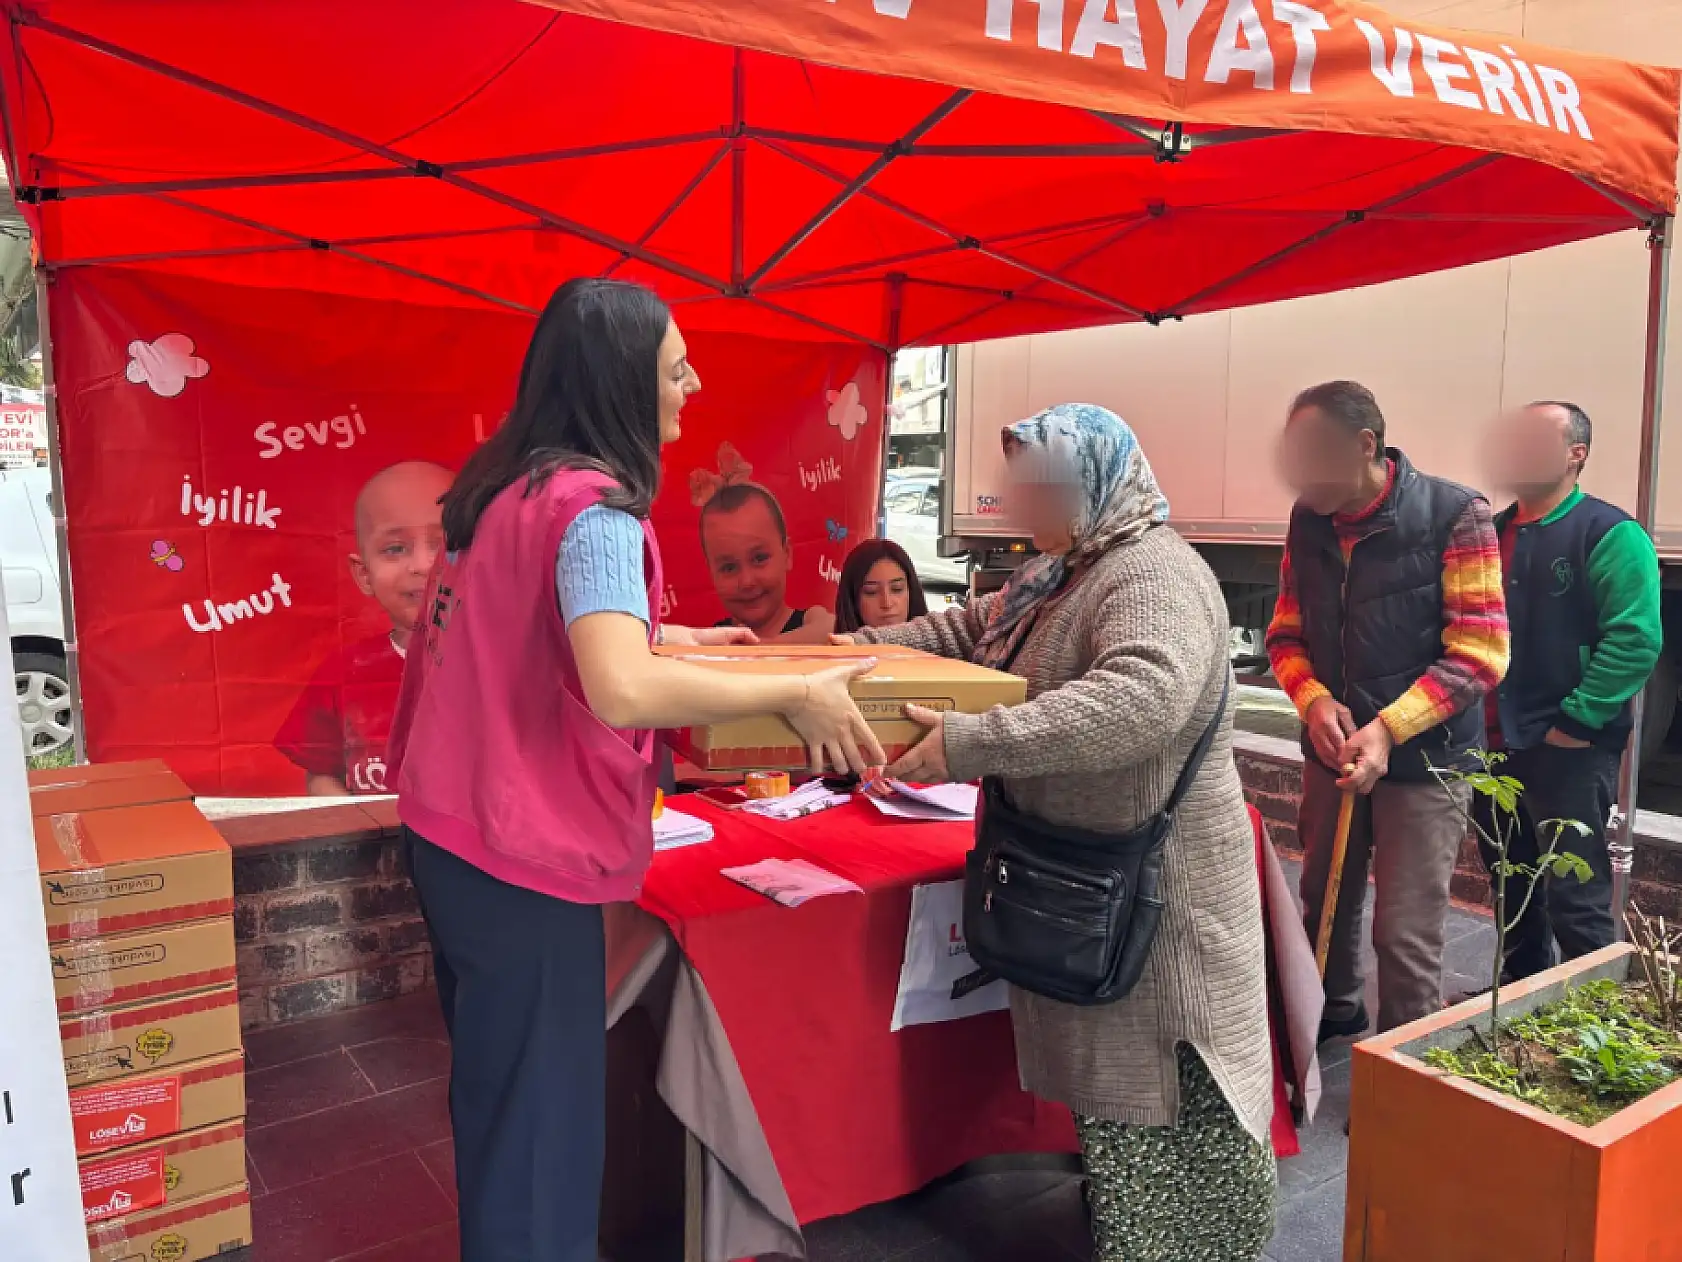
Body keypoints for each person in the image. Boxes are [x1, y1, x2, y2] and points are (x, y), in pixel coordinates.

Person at [385, 277, 883, 1262]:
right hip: (520, 857)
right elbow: (616, 685)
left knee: (500, 1098)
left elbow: (544, 634)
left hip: (450, 834)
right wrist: (791, 695)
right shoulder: (596, 511)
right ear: (621, 379)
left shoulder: (503, 487)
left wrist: (671, 633)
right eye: (675, 365)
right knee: (544, 1132)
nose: (691, 383)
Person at [847, 403, 1276, 1262]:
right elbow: (967, 630)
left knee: (1176, 1115)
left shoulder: (1150, 574)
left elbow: (1140, 699)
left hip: (1163, 906)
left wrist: (971, 742)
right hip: (1095, 881)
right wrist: (838, 651)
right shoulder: (1063, 573)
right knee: (1125, 1132)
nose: (1016, 498)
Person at [1268, 381, 1509, 1043]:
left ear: (1365, 445)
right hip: (1334, 751)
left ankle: (1406, 1073)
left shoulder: (1455, 513)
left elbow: (1482, 652)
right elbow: (1285, 634)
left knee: (1405, 932)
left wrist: (1386, 729)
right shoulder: (1307, 518)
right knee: (1324, 904)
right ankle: (1333, 1014)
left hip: (1426, 761)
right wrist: (1313, 702)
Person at [1479, 400, 1662, 979]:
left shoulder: (1609, 533)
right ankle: (1517, 1002)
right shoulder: (1490, 532)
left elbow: (1635, 640)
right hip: (1491, 744)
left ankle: (1589, 1016)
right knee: (1511, 885)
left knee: (1574, 897)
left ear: (1575, 454)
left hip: (1569, 749)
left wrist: (1575, 725)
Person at [276, 460, 452, 796]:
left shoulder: (503, 670)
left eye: (443, 544)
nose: (423, 565)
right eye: (395, 548)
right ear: (364, 574)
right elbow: (321, 775)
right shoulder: (343, 674)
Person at [694, 455, 835, 642]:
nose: (747, 581)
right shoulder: (711, 641)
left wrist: (758, 650)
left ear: (787, 554)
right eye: (728, 568)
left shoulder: (812, 622)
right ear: (711, 572)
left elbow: (828, 627)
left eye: (759, 558)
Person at [834, 537, 928, 633]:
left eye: (897, 589)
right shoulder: (835, 645)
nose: (887, 603)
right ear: (852, 600)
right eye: (871, 592)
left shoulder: (935, 641)